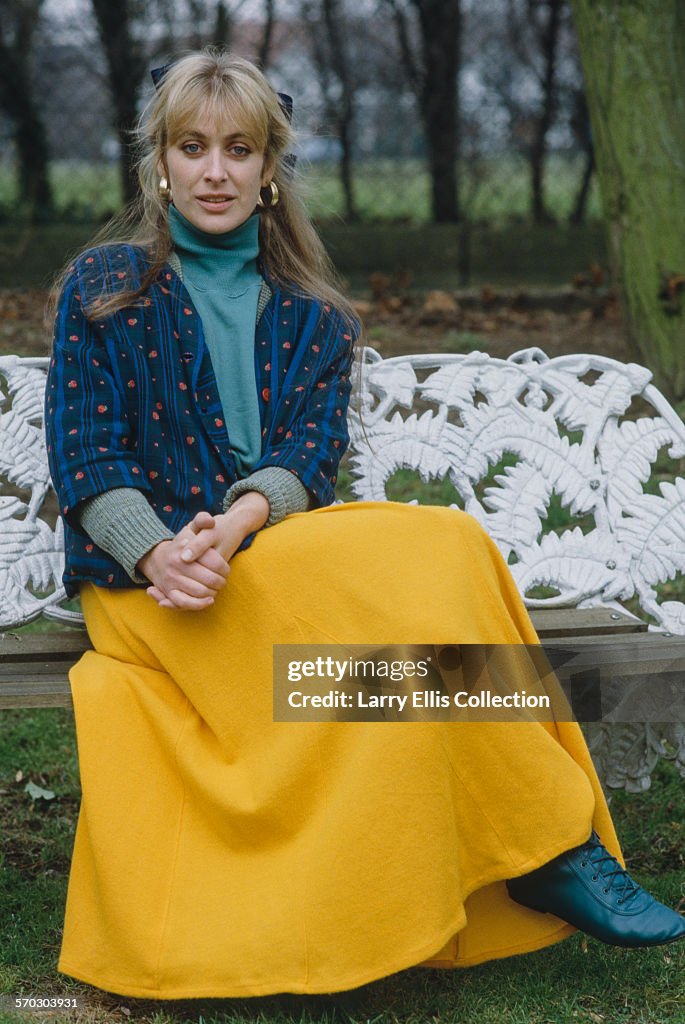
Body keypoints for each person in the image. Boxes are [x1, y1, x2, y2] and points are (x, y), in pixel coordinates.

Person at [44, 49, 685, 1002]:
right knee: (405, 639)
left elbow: (305, 464)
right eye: (191, 148)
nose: (213, 171)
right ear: (159, 164)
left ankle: (545, 844)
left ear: (269, 171)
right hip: (153, 593)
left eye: (238, 150)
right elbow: (87, 454)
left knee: (440, 557)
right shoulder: (105, 286)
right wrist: (158, 550)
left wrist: (239, 520)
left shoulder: (314, 315)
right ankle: (549, 841)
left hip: (271, 560)